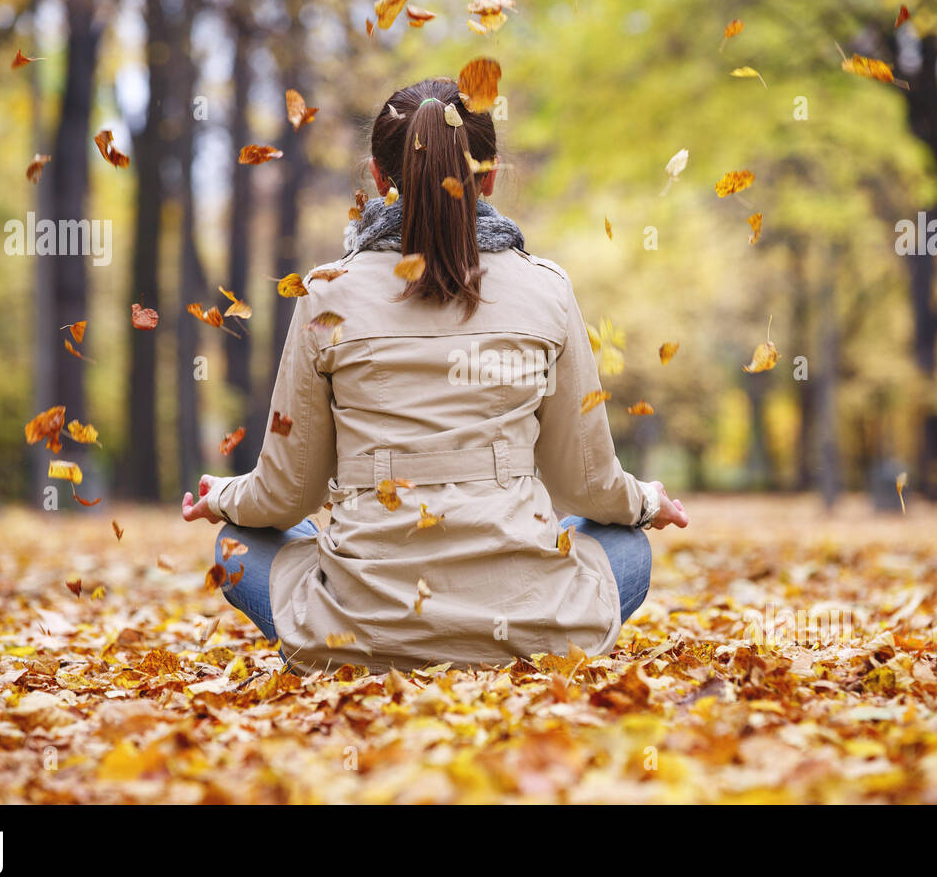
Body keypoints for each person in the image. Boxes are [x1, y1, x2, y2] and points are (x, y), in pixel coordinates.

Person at [181, 76, 687, 674]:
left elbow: (289, 495)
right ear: (491, 175)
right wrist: (647, 502)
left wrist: (226, 497)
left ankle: (371, 642)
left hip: (359, 636)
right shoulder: (546, 288)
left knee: (236, 545)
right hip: (532, 632)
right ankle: (517, 633)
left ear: (376, 175)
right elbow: (587, 487)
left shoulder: (326, 294)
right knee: (626, 544)